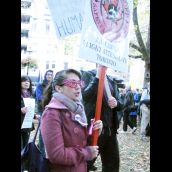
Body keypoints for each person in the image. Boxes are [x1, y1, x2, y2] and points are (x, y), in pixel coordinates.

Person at [40, 69, 103, 172]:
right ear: (59, 88)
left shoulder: (77, 108)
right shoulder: (52, 113)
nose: (78, 86)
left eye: (79, 83)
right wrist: (86, 153)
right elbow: (57, 155)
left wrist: (94, 131)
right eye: (72, 83)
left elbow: (80, 142)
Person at [81, 65, 123, 172]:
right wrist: (97, 77)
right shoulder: (88, 75)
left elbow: (121, 104)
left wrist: (116, 103)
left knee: (112, 165)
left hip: (110, 130)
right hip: (95, 129)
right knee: (85, 164)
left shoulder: (111, 80)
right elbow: (85, 95)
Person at [35, 69, 53, 155]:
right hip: (42, 110)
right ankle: (42, 154)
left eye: (51, 75)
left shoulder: (54, 85)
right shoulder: (40, 85)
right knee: (42, 131)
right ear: (45, 76)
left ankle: (40, 148)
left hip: (52, 111)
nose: (49, 76)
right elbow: (39, 98)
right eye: (48, 74)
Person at [21, 75, 35, 171]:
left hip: (27, 125)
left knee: (25, 147)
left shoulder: (30, 94)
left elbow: (30, 110)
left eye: (28, 81)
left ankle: (23, 167)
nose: (27, 83)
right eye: (24, 81)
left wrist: (35, 115)